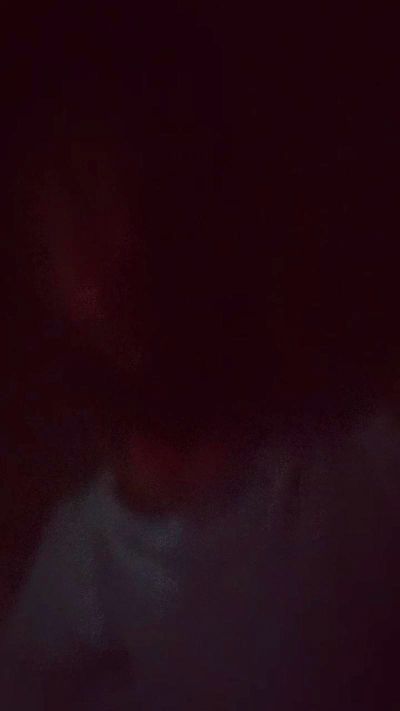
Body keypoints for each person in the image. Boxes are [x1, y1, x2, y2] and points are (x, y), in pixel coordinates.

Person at [2, 3, 400, 709]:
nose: (113, 259)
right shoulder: (70, 596)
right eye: (73, 215)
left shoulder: (367, 474)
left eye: (130, 193)